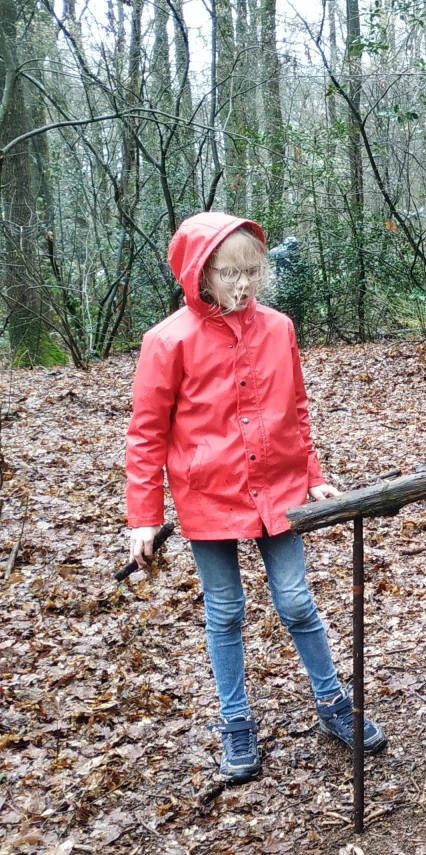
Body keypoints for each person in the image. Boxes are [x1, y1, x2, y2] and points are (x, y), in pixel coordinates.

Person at [126, 212, 386, 784]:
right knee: (225, 611)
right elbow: (146, 433)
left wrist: (312, 472)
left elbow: (295, 409)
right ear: (197, 274)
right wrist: (143, 518)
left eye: (251, 272)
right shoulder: (166, 341)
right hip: (207, 493)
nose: (242, 286)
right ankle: (236, 722)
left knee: (295, 602)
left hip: (279, 485)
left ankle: (334, 704)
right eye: (228, 274)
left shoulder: (278, 328)